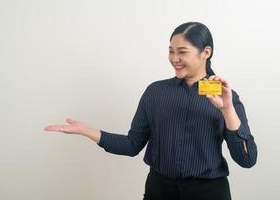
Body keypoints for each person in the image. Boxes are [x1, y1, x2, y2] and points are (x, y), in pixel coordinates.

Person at [44, 22, 257, 200]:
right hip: (159, 190)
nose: (174, 58)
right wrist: (88, 131)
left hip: (209, 192)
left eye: (182, 52)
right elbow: (132, 144)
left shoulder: (225, 96)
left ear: (206, 53)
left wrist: (227, 109)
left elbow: (247, 160)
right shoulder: (155, 92)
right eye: (171, 51)